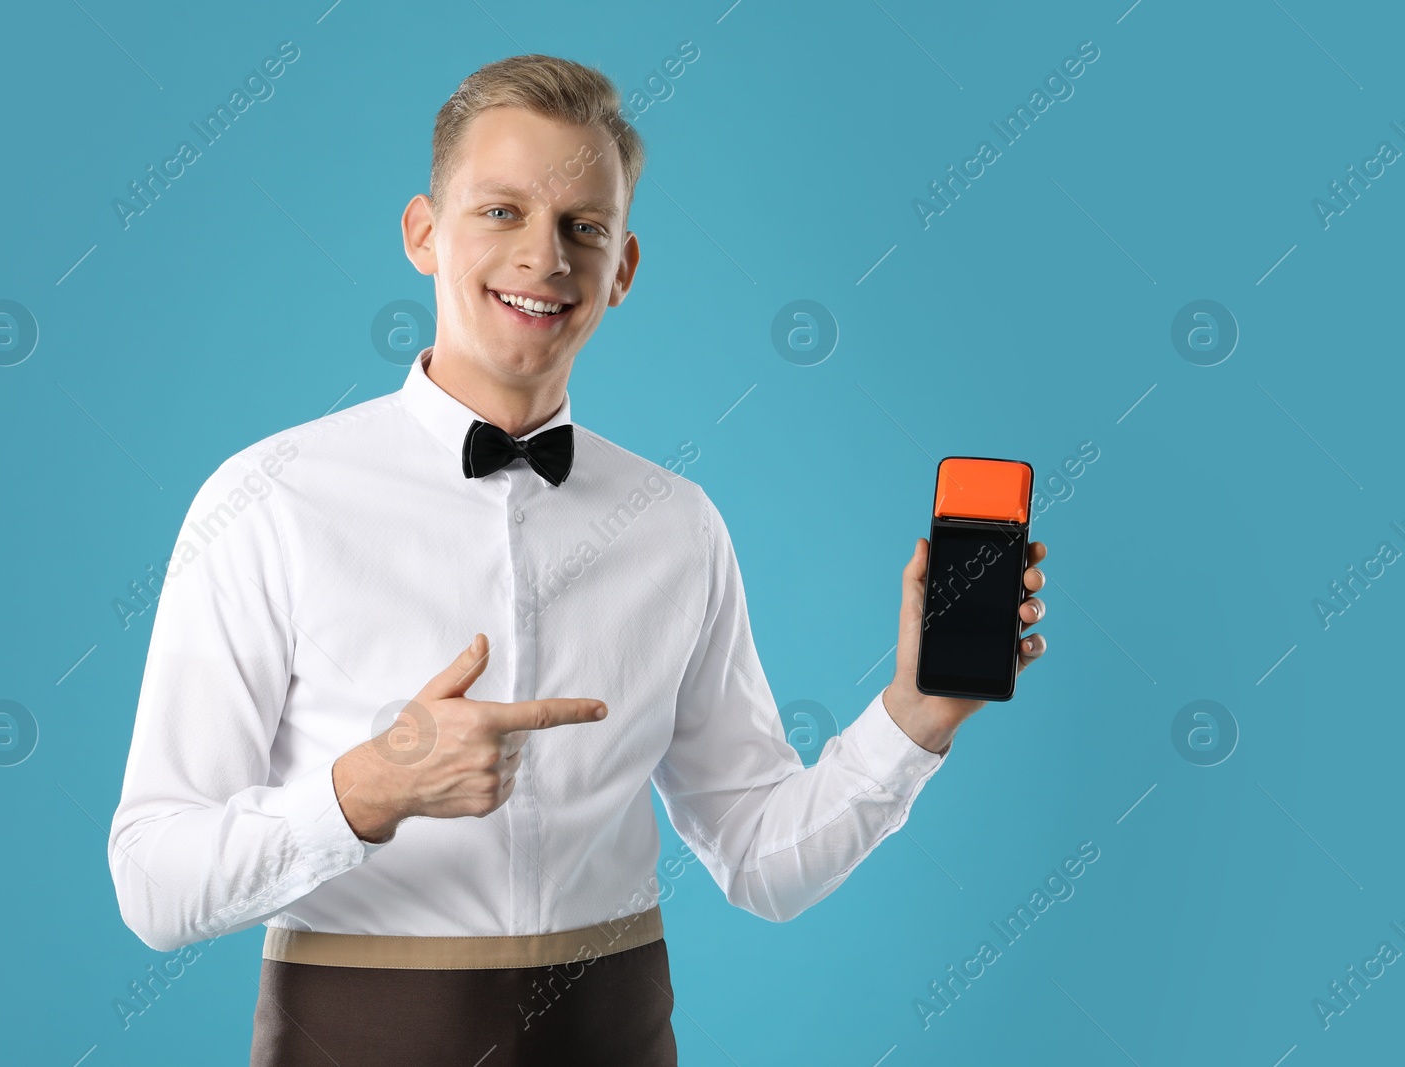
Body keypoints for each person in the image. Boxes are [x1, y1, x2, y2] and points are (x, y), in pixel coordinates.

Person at [107, 53, 1050, 1066]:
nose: (543, 256)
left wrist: (915, 713)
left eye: (581, 227)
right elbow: (154, 886)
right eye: (502, 211)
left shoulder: (676, 524)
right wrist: (369, 786)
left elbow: (764, 863)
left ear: (623, 267)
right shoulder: (268, 500)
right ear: (424, 234)